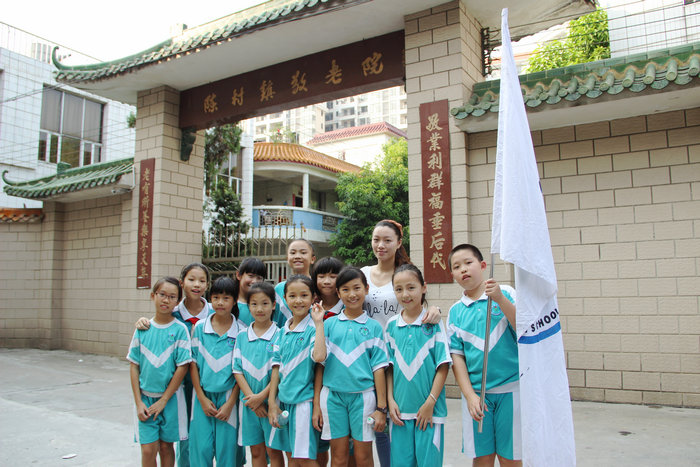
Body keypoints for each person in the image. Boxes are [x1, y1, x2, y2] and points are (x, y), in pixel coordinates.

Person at [360, 220, 441, 466]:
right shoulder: (363, 273)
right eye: (376, 239)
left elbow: (421, 305)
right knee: (377, 425)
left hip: (398, 360)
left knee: (395, 423)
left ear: (399, 242)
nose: (381, 245)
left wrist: (436, 310)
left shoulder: (406, 273)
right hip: (366, 361)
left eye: (387, 240)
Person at [446, 244, 520, 467]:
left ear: (483, 265)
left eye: (468, 263)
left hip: (511, 391)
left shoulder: (505, 292)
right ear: (452, 275)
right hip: (478, 397)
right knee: (482, 458)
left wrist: (500, 299)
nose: (463, 269)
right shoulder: (455, 312)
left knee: (510, 458)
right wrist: (470, 396)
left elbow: (523, 328)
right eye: (456, 267)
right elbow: (457, 358)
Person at [135, 263, 213, 467]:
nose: (196, 284)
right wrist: (142, 321)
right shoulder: (173, 313)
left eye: (202, 280)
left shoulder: (215, 313)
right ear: (182, 283)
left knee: (203, 437)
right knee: (181, 437)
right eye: (191, 279)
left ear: (207, 284)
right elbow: (155, 325)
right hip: (177, 387)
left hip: (206, 385)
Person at [320, 267, 389, 467]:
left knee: (363, 457)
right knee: (338, 457)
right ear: (338, 293)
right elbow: (319, 360)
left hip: (363, 397)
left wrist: (381, 408)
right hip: (333, 397)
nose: (352, 294)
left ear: (366, 289)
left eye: (357, 288)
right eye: (345, 289)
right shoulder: (328, 324)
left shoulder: (374, 327)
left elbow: (379, 368)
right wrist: (318, 324)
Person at [385, 264, 451, 467]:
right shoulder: (391, 325)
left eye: (411, 287)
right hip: (400, 414)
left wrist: (430, 402)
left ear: (424, 287)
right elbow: (388, 368)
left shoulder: (434, 323)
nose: (405, 294)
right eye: (398, 289)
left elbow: (443, 366)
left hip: (429, 414)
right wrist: (390, 400)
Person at [128, 277, 192, 467]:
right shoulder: (143, 328)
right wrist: (139, 402)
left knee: (166, 447)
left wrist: (164, 400)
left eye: (172, 297)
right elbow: (134, 365)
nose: (166, 300)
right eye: (162, 294)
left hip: (171, 400)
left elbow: (183, 366)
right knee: (148, 450)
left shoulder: (180, 330)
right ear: (153, 296)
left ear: (177, 301)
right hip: (146, 400)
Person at [268, 275, 326, 467]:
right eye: (292, 296)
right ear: (284, 298)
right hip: (283, 402)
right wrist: (272, 403)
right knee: (291, 458)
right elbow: (276, 369)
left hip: (304, 404)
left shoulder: (314, 328)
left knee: (305, 460)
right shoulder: (282, 331)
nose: (298, 300)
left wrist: (319, 323)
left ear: (313, 297)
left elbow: (319, 358)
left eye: (304, 295)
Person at [189, 276, 246, 467]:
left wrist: (230, 404)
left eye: (226, 298)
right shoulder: (199, 328)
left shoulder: (241, 331)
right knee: (201, 450)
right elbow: (193, 365)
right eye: (216, 297)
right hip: (202, 398)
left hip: (229, 399)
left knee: (227, 453)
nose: (220, 302)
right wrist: (201, 398)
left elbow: (240, 372)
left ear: (235, 300)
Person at [233, 281, 286, 467]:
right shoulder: (241, 336)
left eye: (265, 303)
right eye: (254, 304)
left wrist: (262, 398)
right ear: (248, 306)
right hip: (249, 405)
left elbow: (280, 372)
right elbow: (237, 370)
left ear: (274, 305)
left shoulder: (281, 335)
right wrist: (253, 401)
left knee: (274, 451)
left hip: (273, 403)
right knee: (256, 451)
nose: (259, 309)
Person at [310, 257, 346, 467]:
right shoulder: (310, 307)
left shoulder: (351, 305)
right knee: (318, 444)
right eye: (321, 276)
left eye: (333, 276)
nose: (327, 281)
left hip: (342, 383)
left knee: (344, 449)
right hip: (311, 382)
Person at [274, 239, 316, 327]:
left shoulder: (317, 286)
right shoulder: (279, 289)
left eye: (303, 253)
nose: (297, 256)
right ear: (287, 258)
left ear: (312, 259)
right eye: (293, 253)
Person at [234, 257, 267, 326]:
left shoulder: (266, 306)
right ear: (238, 275)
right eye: (251, 276)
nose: (254, 281)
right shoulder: (229, 303)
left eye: (259, 278)